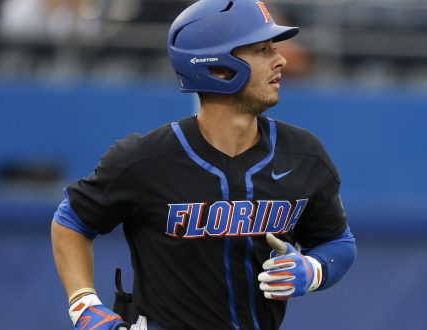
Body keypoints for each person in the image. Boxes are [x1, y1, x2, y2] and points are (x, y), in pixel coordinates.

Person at [50, 0, 357, 329]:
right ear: (219, 67)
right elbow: (71, 221)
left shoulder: (303, 154)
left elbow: (338, 242)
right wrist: (83, 303)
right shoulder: (144, 159)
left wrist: (313, 270)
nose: (280, 59)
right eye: (262, 50)